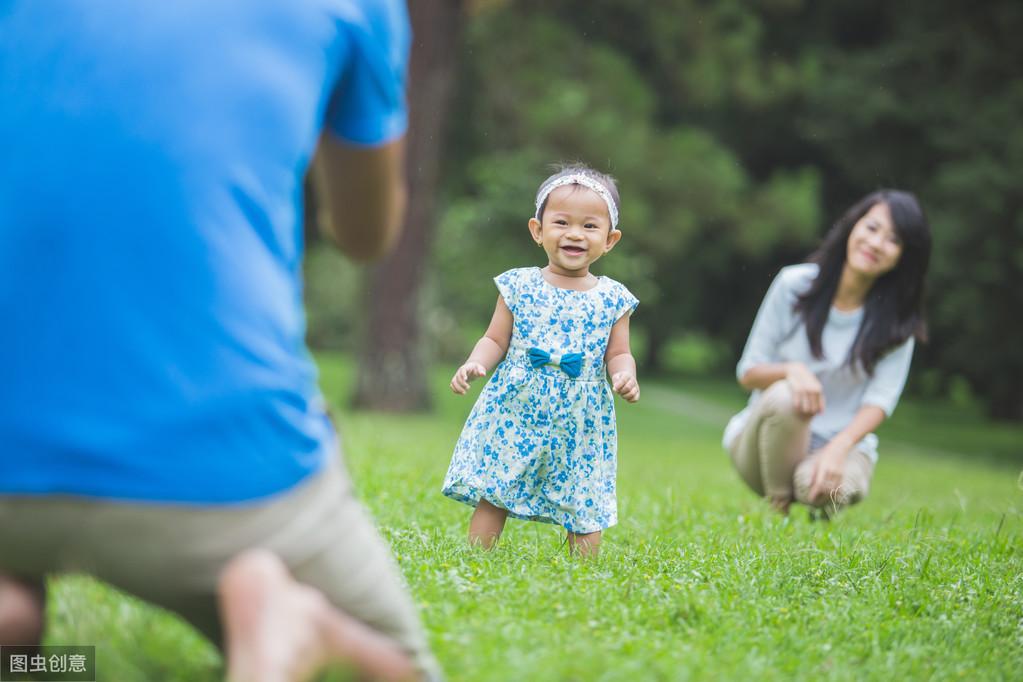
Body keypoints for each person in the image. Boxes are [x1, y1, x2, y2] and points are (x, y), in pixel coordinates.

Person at [0, 1, 441, 680]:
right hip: (220, 481)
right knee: (397, 667)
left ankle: (18, 625)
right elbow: (364, 234)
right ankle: (292, 627)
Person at [441, 164, 640, 557]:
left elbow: (619, 352)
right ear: (538, 230)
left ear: (610, 239)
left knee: (582, 498)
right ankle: (477, 559)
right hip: (517, 404)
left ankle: (582, 574)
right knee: (496, 487)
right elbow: (494, 338)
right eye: (562, 222)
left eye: (589, 226)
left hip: (581, 417)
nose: (574, 234)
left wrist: (624, 376)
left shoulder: (614, 297)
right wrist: (475, 363)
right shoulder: (518, 285)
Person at [723, 190, 931, 517]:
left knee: (823, 489)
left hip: (839, 445)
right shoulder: (794, 284)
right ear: (853, 227)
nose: (876, 244)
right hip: (762, 444)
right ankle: (778, 509)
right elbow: (748, 373)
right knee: (787, 397)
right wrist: (792, 371)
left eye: (894, 240)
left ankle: (811, 494)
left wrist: (838, 449)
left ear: (904, 257)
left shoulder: (898, 323)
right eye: (872, 228)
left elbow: (880, 400)